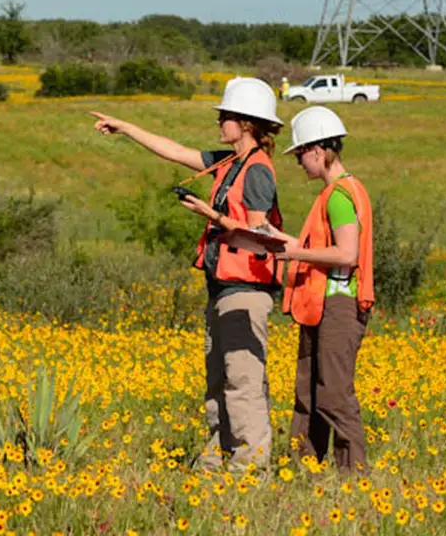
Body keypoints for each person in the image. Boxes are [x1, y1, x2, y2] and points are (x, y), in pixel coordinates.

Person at [91, 77, 285, 470]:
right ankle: (219, 459)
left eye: (225, 115)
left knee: (243, 382)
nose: (219, 122)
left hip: (245, 288)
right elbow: (174, 151)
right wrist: (126, 128)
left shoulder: (258, 171)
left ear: (246, 123)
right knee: (219, 381)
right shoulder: (229, 162)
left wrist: (210, 215)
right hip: (223, 287)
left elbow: (261, 236)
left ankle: (249, 469)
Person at [269, 106, 374, 472]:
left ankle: (354, 475)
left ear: (317, 149)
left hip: (338, 305)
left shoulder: (340, 195)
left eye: (300, 154)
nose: (299, 162)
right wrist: (282, 241)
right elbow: (327, 247)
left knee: (332, 395)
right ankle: (304, 469)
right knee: (307, 392)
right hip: (321, 305)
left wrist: (294, 252)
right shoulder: (342, 191)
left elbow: (346, 252)